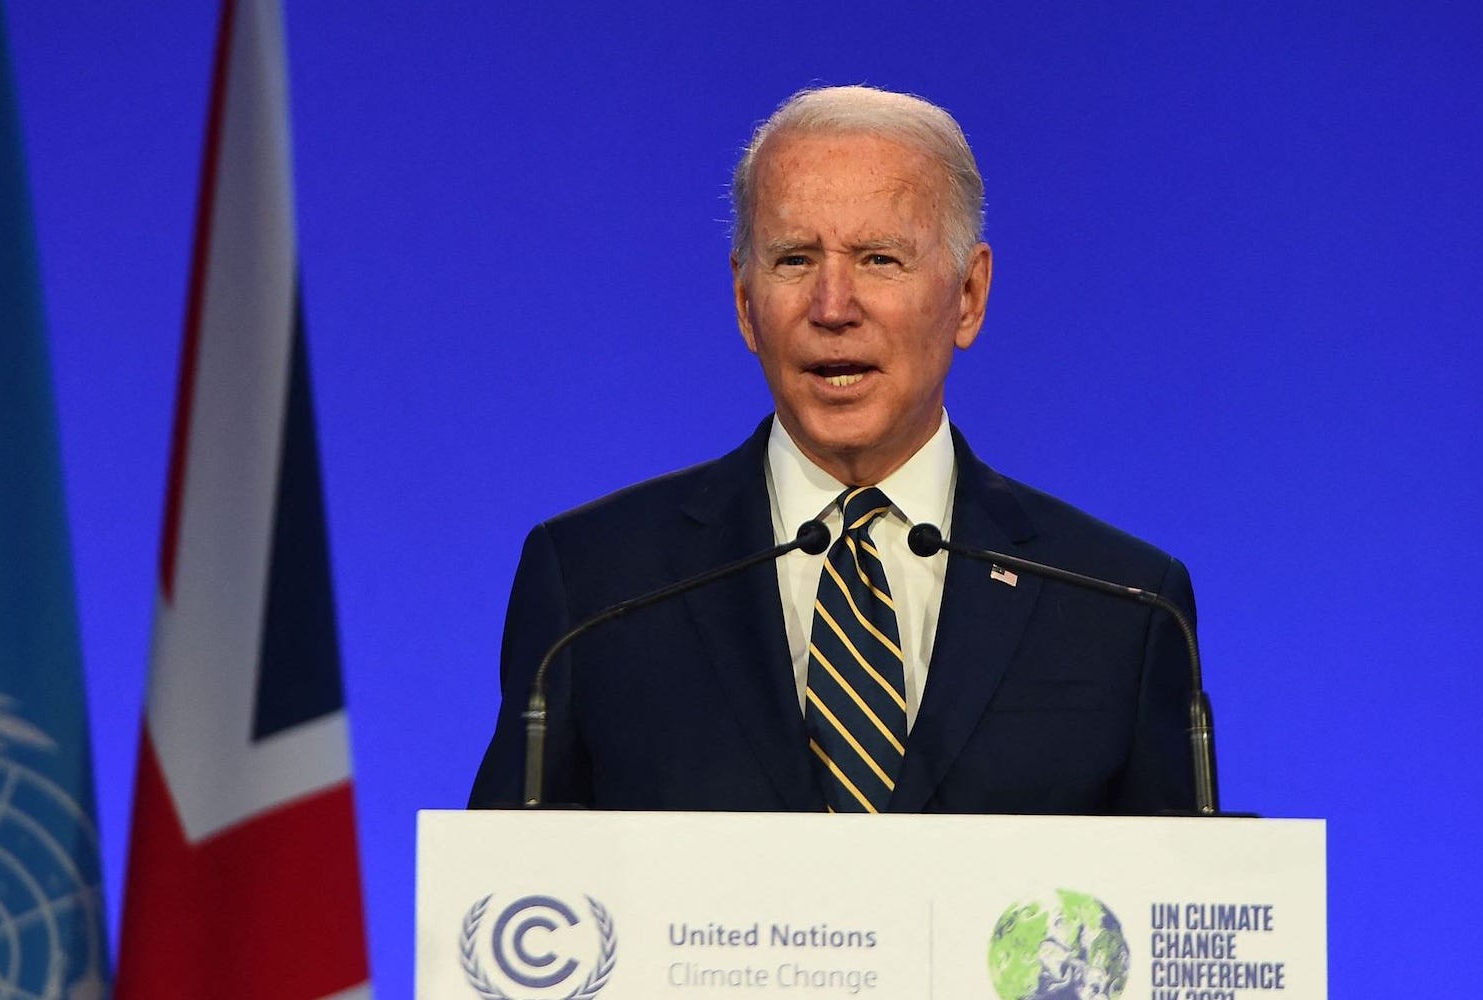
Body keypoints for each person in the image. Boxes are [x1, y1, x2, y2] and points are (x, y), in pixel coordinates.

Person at [468, 85, 1197, 814]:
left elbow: (1175, 901)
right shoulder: (596, 586)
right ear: (745, 302)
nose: (833, 307)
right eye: (793, 260)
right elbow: (508, 901)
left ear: (969, 295)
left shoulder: (1122, 605)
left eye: (880, 259)